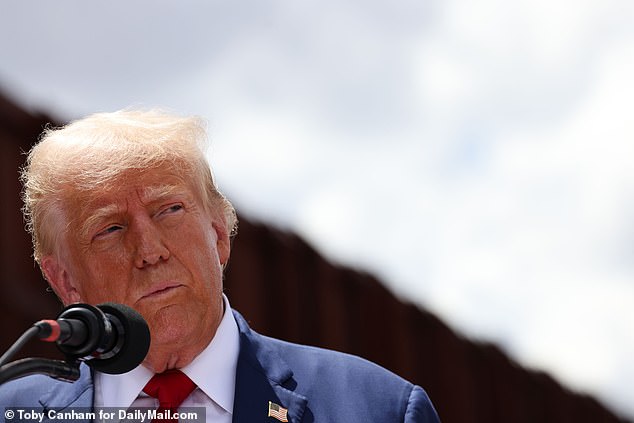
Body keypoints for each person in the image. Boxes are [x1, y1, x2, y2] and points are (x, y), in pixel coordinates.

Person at [0, 109, 440, 422]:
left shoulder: (376, 408)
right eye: (110, 229)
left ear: (218, 233)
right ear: (64, 281)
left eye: (169, 210)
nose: (150, 251)